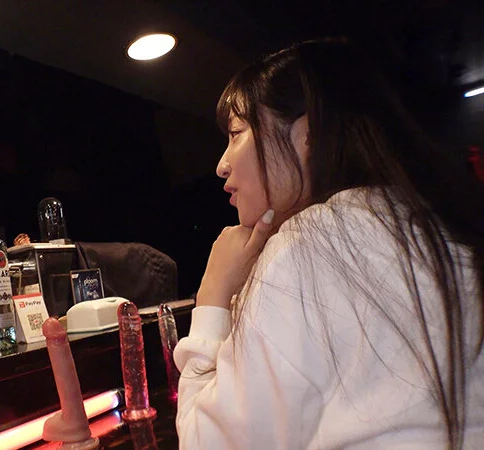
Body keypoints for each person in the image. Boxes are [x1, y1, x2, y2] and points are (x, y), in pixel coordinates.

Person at [175, 38, 484, 449]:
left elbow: (207, 443)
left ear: (308, 135)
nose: (221, 164)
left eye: (236, 133)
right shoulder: (432, 223)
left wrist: (213, 296)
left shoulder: (311, 245)